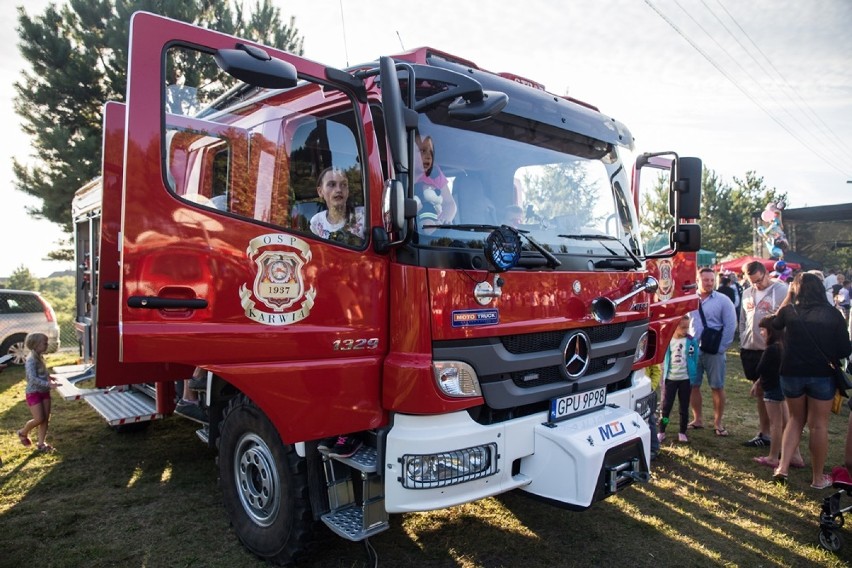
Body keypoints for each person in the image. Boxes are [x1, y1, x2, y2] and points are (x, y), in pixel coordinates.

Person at [771, 272, 852, 488]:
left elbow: (775, 324)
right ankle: (817, 478)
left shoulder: (789, 311)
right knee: (819, 426)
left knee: (795, 420)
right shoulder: (833, 315)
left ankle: (782, 467)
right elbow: (845, 349)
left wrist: (788, 297)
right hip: (821, 374)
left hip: (791, 372)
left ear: (796, 289)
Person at [739, 261, 788, 448]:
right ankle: (764, 432)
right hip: (750, 348)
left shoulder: (781, 290)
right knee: (759, 392)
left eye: (758, 281)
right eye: (752, 282)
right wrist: (744, 338)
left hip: (771, 350)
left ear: (766, 273)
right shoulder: (746, 293)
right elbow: (743, 320)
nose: (756, 285)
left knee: (776, 394)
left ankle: (783, 435)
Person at [689, 267, 737, 436]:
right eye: (705, 280)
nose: (709, 283)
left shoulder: (723, 301)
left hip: (714, 350)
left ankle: (718, 422)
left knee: (717, 386)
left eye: (711, 280)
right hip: (693, 349)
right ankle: (698, 419)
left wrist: (721, 348)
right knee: (693, 385)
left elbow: (731, 326)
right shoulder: (690, 298)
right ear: (698, 281)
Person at [751, 315, 804, 469]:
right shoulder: (785, 346)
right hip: (783, 388)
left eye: (763, 330)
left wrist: (759, 380)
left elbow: (759, 369)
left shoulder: (771, 349)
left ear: (771, 331)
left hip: (772, 390)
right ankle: (795, 455)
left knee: (776, 424)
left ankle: (773, 457)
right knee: (788, 422)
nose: (761, 333)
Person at [659, 315, 698, 444]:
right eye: (683, 327)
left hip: (685, 380)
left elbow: (694, 358)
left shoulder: (691, 341)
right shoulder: (668, 341)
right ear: (675, 327)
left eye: (687, 327)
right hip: (670, 379)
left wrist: (692, 374)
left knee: (684, 407)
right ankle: (662, 430)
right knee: (666, 407)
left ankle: (682, 431)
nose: (686, 330)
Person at [16, 332, 58, 452]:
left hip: (45, 392)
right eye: (45, 343)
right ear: (36, 345)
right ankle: (23, 432)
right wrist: (48, 384)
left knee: (45, 419)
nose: (47, 345)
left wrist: (49, 377)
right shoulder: (31, 360)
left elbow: (42, 372)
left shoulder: (40, 356)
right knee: (39, 418)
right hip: (33, 393)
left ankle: (41, 444)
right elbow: (32, 378)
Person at [309, 167, 365, 244]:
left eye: (344, 184)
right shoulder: (317, 222)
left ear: (348, 190)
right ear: (320, 192)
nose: (339, 190)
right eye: (332, 185)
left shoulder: (364, 215)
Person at [415, 135, 457, 228]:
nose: (428, 157)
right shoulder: (403, 175)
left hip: (434, 225)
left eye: (431, 152)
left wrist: (444, 221)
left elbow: (450, 204)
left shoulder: (435, 173)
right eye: (422, 151)